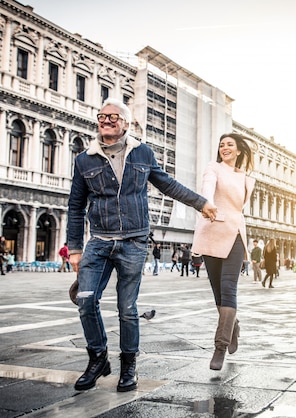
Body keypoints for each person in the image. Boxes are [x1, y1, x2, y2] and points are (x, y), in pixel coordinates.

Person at [67, 98, 217, 392]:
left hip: (134, 242)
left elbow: (168, 184)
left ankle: (128, 366)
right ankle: (97, 359)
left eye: (113, 117)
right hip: (98, 241)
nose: (106, 120)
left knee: (127, 308)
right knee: (85, 301)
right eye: (101, 116)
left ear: (125, 123)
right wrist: (74, 248)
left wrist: (201, 203)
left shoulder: (142, 153)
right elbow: (75, 206)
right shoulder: (85, 159)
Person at [191, 132, 255, 371]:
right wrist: (206, 204)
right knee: (218, 292)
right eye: (221, 145)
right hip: (212, 230)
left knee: (229, 287)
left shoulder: (246, 177)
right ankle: (233, 324)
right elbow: (207, 187)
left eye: (230, 145)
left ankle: (220, 346)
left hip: (235, 233)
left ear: (239, 150)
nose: (225, 148)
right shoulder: (213, 168)